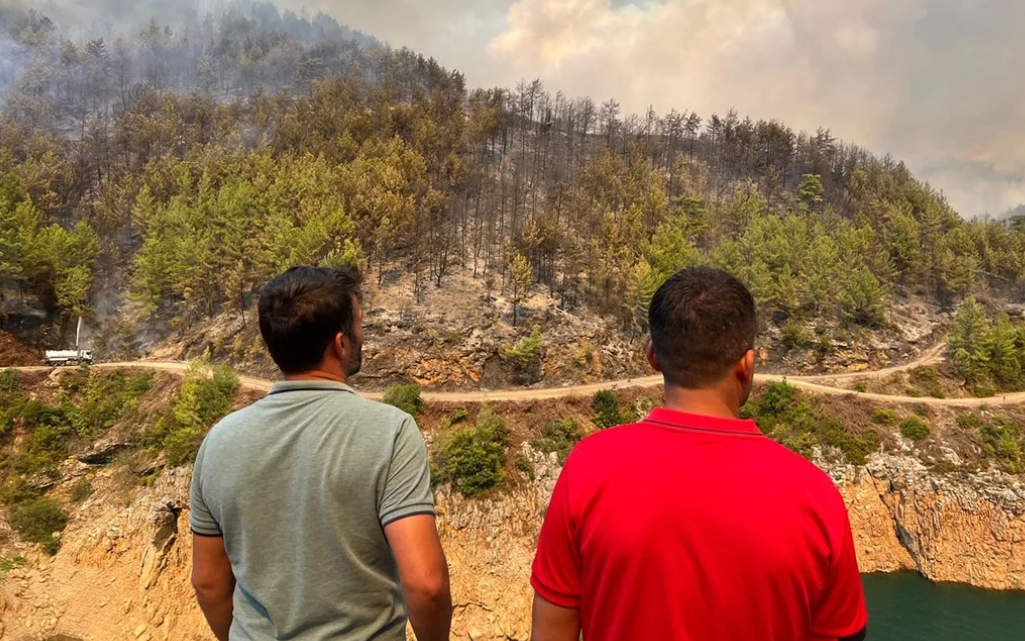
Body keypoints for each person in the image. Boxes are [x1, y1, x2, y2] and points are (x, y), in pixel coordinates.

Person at [530, 267, 868, 641]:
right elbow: (842, 633)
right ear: (747, 365)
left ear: (653, 357)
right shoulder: (815, 496)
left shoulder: (588, 468)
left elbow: (550, 631)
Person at [190, 266, 452, 641]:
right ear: (341, 344)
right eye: (360, 324)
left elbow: (208, 584)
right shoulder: (391, 432)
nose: (364, 336)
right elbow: (426, 585)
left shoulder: (217, 443)